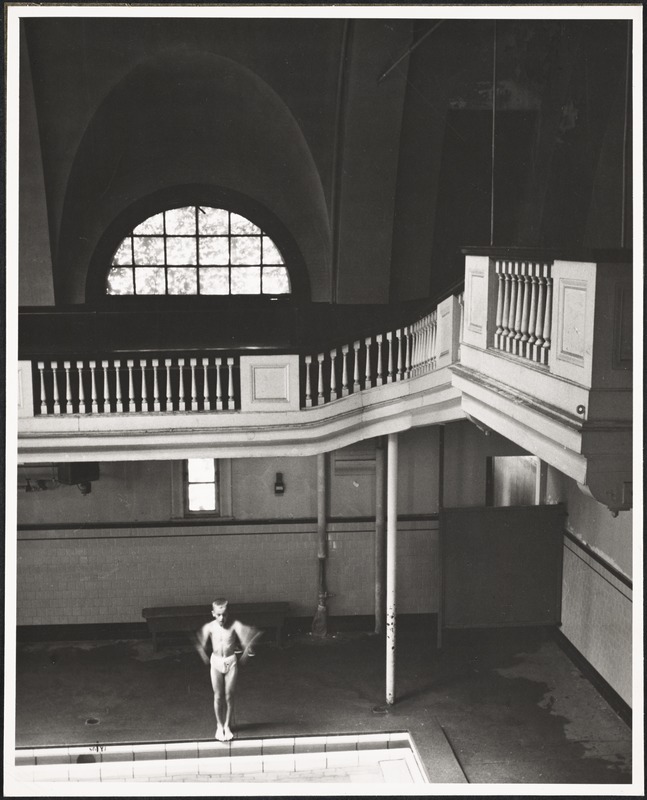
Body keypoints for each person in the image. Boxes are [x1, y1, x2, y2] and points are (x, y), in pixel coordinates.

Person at [195, 598, 262, 741]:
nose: (222, 618)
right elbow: (199, 642)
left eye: (224, 614)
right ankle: (219, 726)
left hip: (231, 662)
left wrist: (246, 650)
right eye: (218, 615)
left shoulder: (235, 625)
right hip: (216, 663)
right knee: (218, 696)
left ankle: (227, 726)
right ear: (213, 613)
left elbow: (251, 635)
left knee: (229, 696)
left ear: (228, 613)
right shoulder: (210, 627)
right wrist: (203, 655)